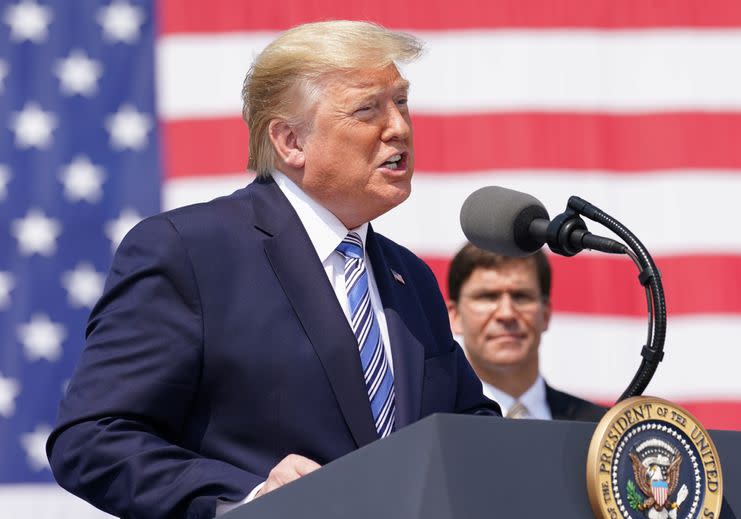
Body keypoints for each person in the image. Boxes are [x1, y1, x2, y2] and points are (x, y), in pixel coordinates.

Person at [46, 21, 499, 519]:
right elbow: (92, 438)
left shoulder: (408, 277)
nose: (399, 127)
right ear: (290, 142)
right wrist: (252, 497)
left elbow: (466, 427)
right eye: (368, 109)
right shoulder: (189, 252)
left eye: (402, 102)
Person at [447, 243, 605, 421]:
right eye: (488, 296)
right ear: (455, 316)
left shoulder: (599, 429)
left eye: (521, 296)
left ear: (545, 314)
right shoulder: (430, 426)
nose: (506, 313)